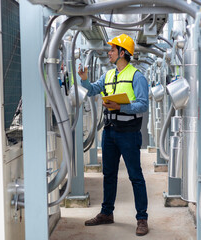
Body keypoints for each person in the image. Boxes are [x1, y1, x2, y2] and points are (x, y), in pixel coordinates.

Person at [78, 34, 149, 236]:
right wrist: (84, 80)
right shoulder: (108, 75)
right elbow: (92, 90)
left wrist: (121, 106)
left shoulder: (137, 76)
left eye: (112, 50)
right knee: (108, 175)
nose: (109, 52)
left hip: (129, 133)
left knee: (136, 176)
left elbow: (143, 104)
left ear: (123, 53)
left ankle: (142, 218)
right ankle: (106, 213)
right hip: (109, 132)